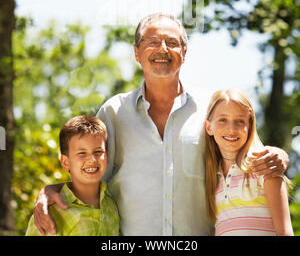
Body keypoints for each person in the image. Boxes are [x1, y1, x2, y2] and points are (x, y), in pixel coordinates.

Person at [33, 13, 289, 236]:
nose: (162, 49)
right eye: (152, 42)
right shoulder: (113, 111)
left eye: (172, 43)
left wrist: (280, 154)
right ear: (136, 53)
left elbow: (247, 153)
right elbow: (89, 170)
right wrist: (51, 189)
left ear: (184, 53)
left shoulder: (211, 108)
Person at [204, 88, 294, 236]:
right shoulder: (214, 179)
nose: (231, 128)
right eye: (223, 120)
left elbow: (285, 232)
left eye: (240, 121)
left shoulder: (265, 168)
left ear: (250, 126)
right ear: (209, 127)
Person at [26, 116, 119, 236]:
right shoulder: (50, 213)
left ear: (107, 156)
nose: (92, 159)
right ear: (66, 162)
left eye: (98, 152)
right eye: (81, 153)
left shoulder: (111, 204)